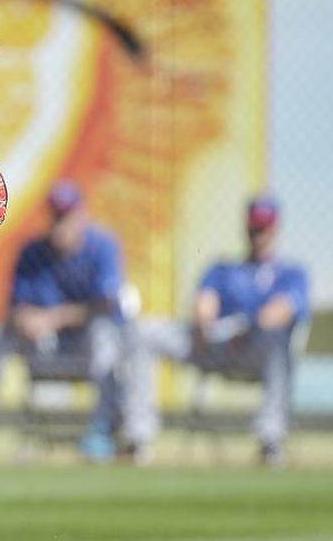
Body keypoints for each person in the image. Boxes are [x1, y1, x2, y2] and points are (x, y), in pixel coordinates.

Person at [0, 181, 140, 461]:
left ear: (82, 215)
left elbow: (106, 305)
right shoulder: (33, 252)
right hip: (46, 345)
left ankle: (103, 429)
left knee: (105, 334)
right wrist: (25, 319)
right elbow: (16, 306)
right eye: (56, 216)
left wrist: (53, 318)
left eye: (67, 216)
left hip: (87, 344)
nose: (61, 224)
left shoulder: (102, 246)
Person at [132, 195, 310, 465]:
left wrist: (249, 327)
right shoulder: (223, 269)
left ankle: (270, 440)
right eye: (254, 228)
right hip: (212, 345)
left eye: (264, 228)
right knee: (145, 333)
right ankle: (137, 437)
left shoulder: (291, 273)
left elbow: (281, 312)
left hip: (255, 350)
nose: (258, 235)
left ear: (276, 229)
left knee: (277, 343)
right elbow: (205, 304)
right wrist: (206, 321)